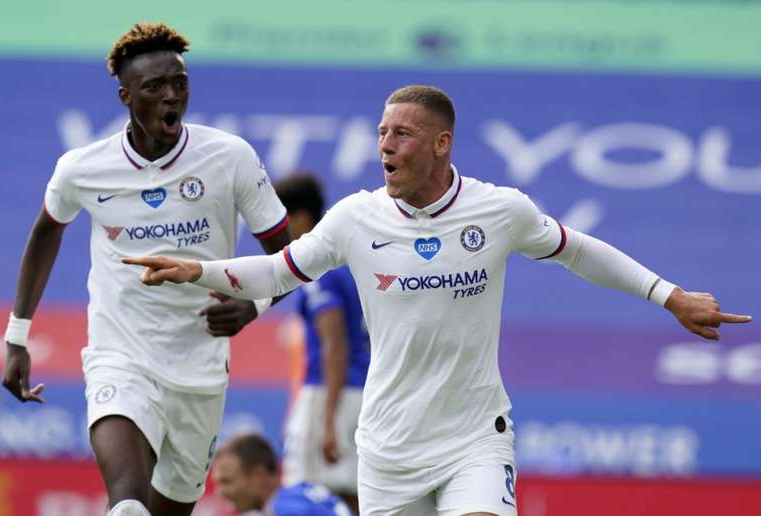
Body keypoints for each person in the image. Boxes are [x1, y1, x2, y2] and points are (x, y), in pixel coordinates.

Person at [124, 85, 752, 516]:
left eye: (401, 134)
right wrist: (195, 269)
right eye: (380, 133)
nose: (385, 146)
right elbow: (274, 272)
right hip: (388, 447)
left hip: (474, 436)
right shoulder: (354, 219)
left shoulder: (500, 210)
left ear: (442, 144)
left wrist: (670, 296)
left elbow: (579, 250)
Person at [1, 22, 291, 516]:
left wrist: (254, 303)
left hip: (200, 362)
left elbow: (286, 255)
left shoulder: (229, 157)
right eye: (155, 87)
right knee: (128, 504)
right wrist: (16, 335)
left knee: (168, 508)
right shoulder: (83, 168)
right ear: (125, 96)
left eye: (179, 83)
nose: (171, 96)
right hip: (122, 350)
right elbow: (47, 230)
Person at [274, 173, 369, 514]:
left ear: (299, 218)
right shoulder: (347, 262)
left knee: (307, 491)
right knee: (351, 495)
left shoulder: (318, 268)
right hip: (362, 391)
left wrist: (327, 419)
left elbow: (334, 344)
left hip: (332, 393)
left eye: (279, 220)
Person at [212, 433, 353, 516]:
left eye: (227, 482)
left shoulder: (286, 509)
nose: (221, 493)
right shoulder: (300, 493)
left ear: (258, 476)